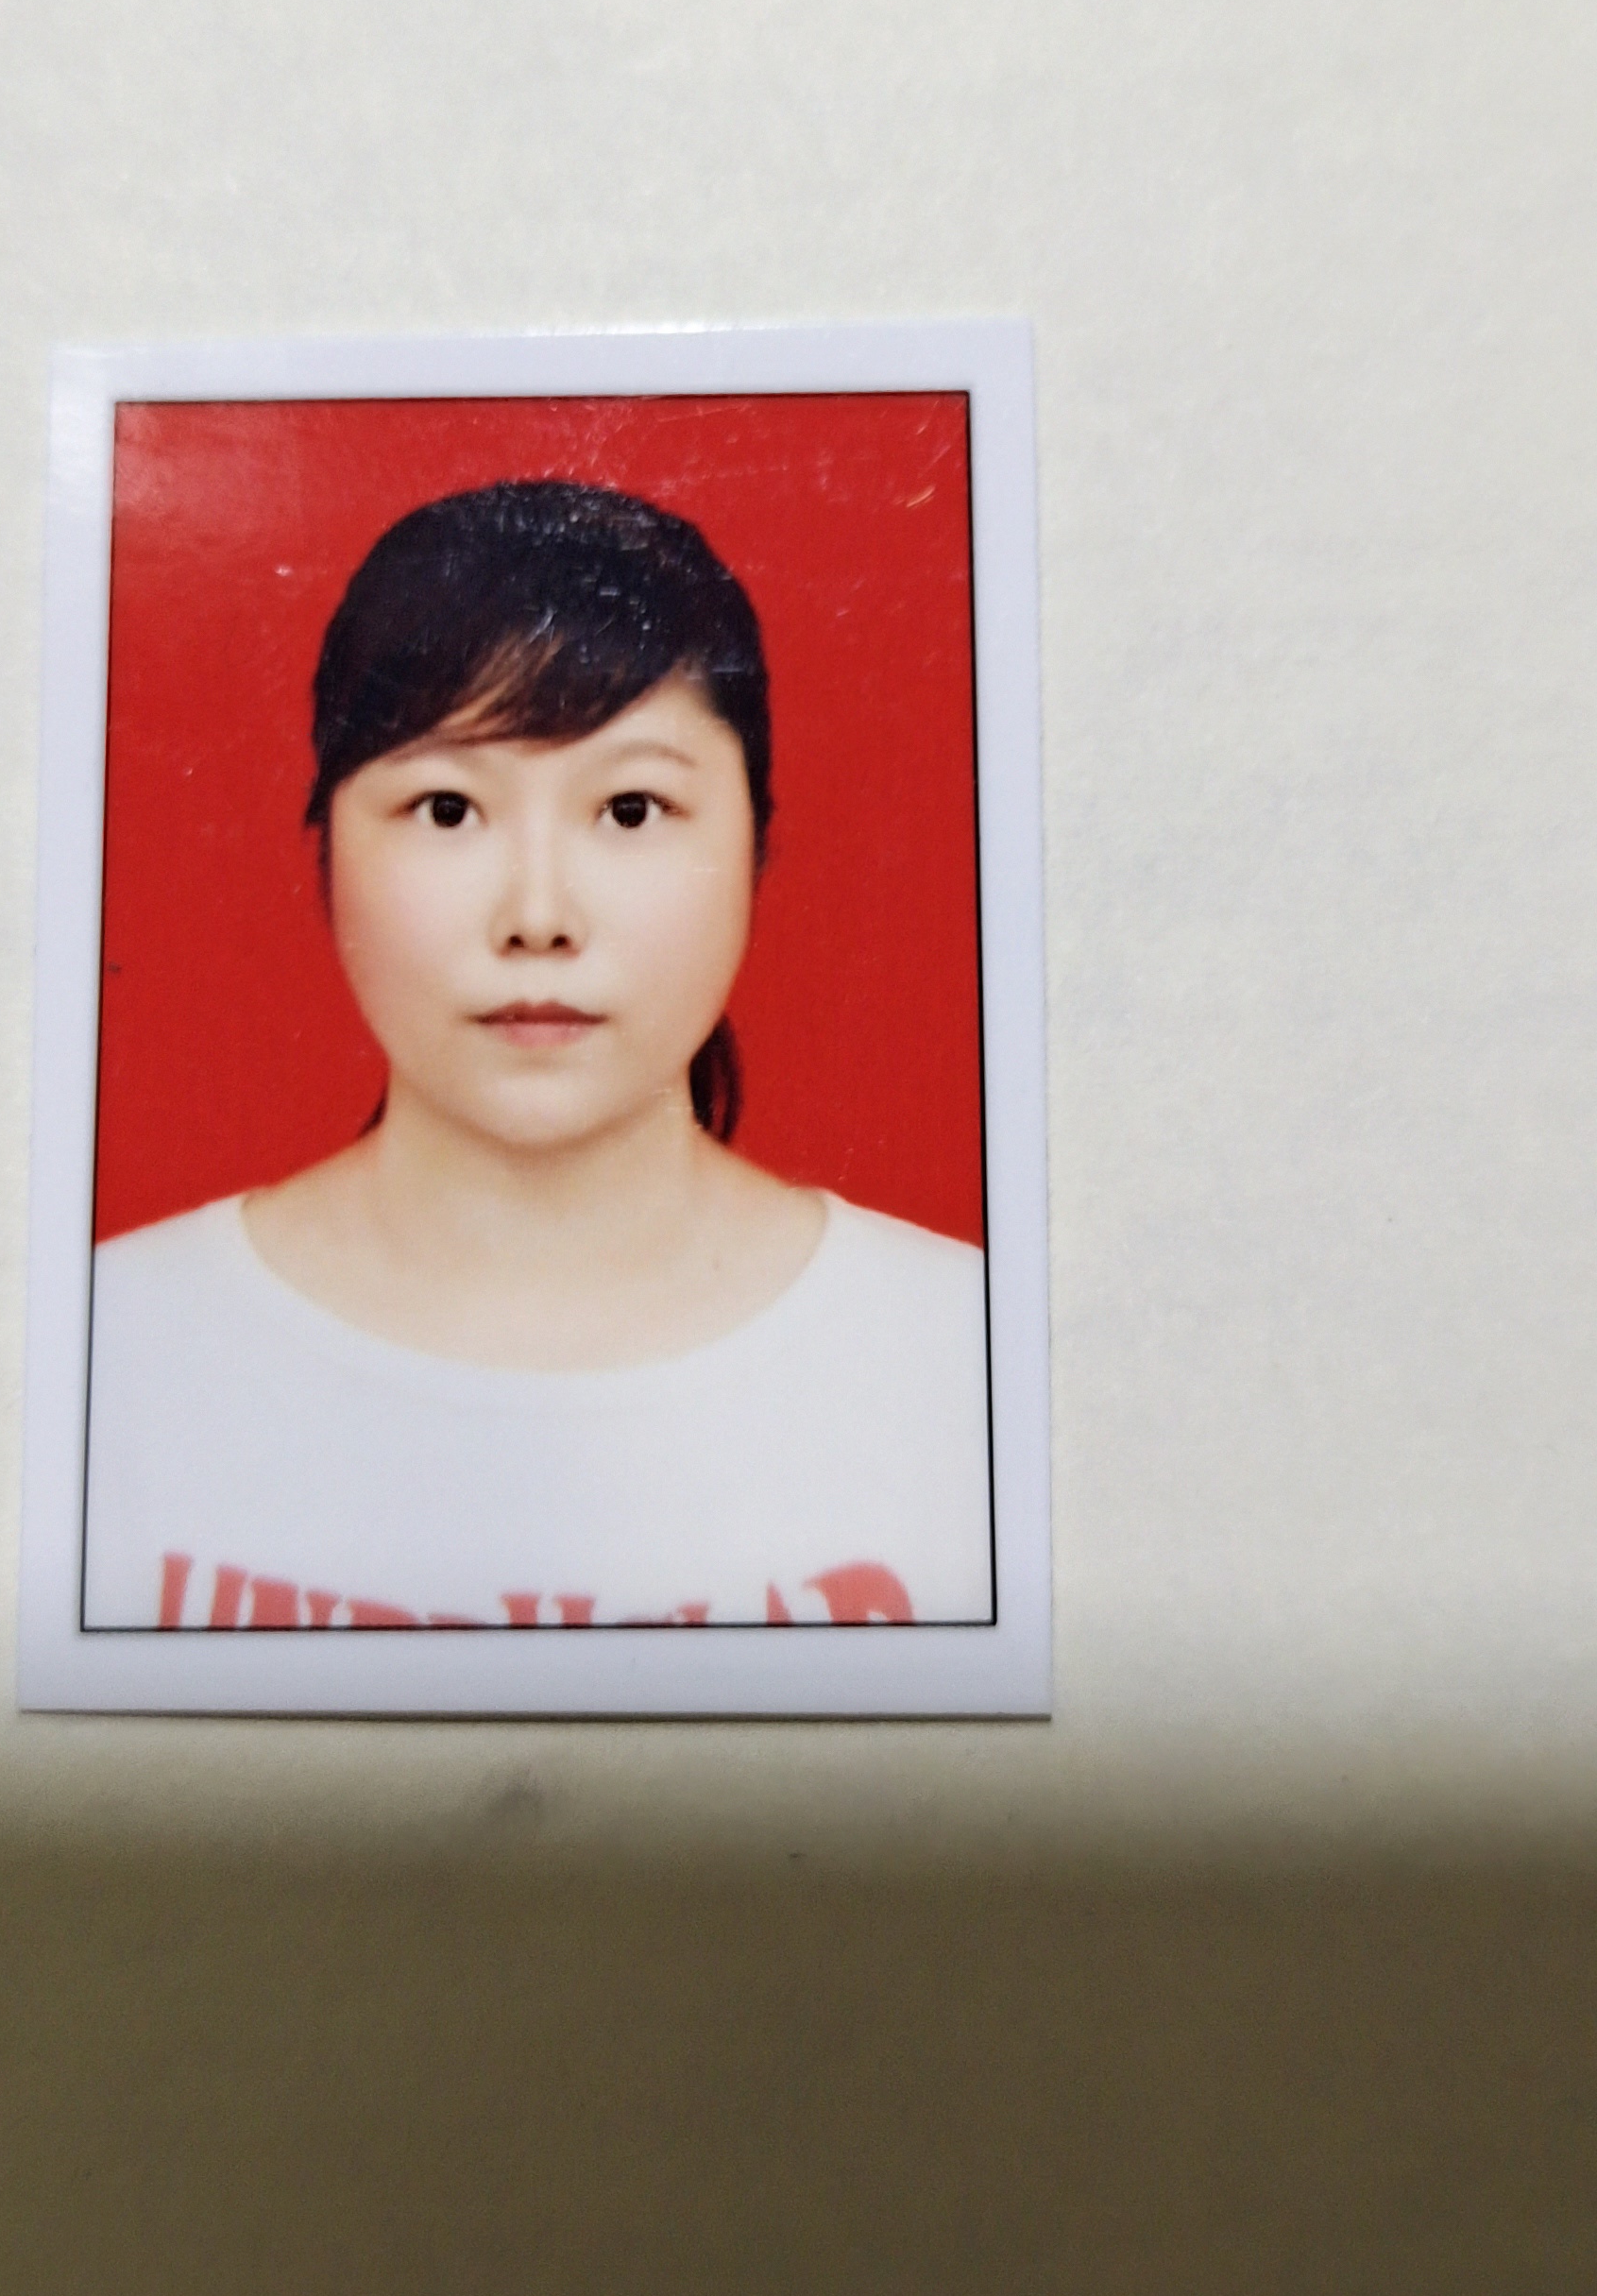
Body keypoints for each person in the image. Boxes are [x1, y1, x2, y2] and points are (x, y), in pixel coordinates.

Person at [83, 477, 993, 1633]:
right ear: (326, 852)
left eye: (630, 810)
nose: (538, 917)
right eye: (448, 810)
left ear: (758, 842)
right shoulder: (107, 1352)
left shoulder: (965, 1357)